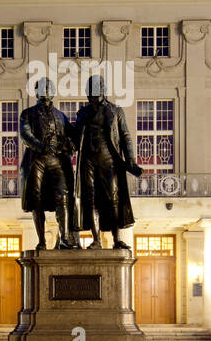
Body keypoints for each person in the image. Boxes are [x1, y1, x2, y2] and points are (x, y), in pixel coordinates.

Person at [70, 73, 142, 249]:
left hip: (109, 160)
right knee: (90, 199)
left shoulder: (115, 111)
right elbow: (74, 138)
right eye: (90, 89)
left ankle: (117, 239)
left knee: (113, 199)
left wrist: (130, 158)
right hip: (88, 160)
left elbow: (125, 136)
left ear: (102, 90)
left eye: (96, 88)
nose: (93, 93)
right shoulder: (83, 113)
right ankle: (96, 239)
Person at [19, 78, 80, 249]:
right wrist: (42, 146)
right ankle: (41, 241)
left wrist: (69, 144)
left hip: (57, 160)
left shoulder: (61, 116)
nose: (46, 91)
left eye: (49, 88)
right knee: (36, 199)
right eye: (43, 89)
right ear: (37, 92)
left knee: (63, 196)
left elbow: (72, 137)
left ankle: (65, 238)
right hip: (37, 159)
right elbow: (25, 134)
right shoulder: (28, 113)